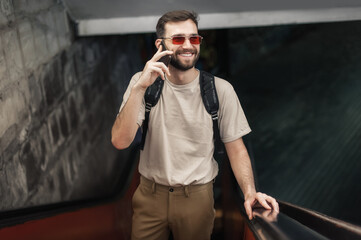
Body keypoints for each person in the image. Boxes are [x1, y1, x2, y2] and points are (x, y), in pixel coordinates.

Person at [111, 10, 279, 240]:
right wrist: (140, 88)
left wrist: (250, 193)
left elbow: (236, 148)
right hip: (150, 195)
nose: (188, 45)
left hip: (197, 198)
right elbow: (120, 141)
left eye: (194, 38)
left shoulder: (220, 90)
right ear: (160, 45)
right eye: (179, 39)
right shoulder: (141, 83)